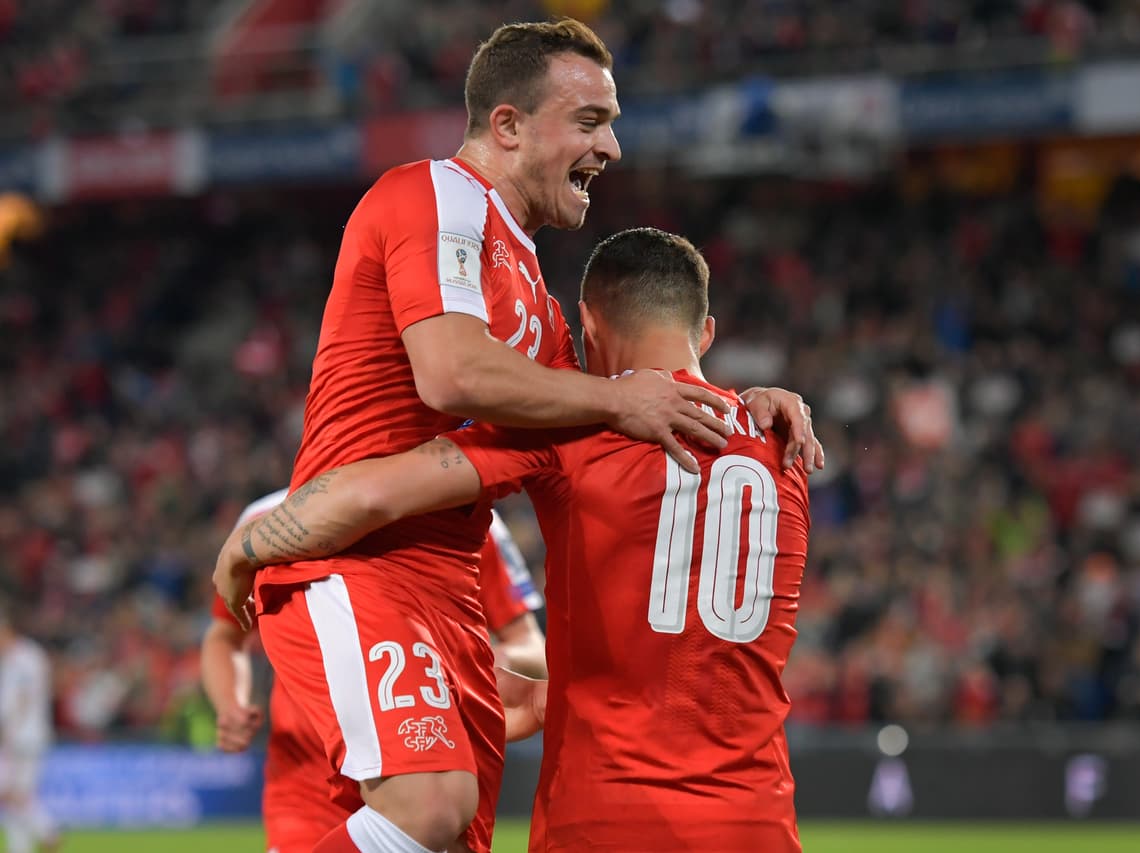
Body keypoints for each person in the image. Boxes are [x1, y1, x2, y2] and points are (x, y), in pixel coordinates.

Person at [243, 17, 816, 853]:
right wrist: (252, 544)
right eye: (589, 121)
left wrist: (727, 397)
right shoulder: (432, 194)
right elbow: (450, 375)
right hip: (364, 561)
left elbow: (534, 435)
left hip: (452, 596)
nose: (612, 147)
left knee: (448, 836)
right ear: (507, 124)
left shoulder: (550, 325)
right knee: (428, 811)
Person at [201, 495, 547, 853]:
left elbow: (531, 647)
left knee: (427, 812)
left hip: (425, 761)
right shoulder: (269, 518)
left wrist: (472, 667)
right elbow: (226, 636)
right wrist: (231, 702)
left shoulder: (467, 510)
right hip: (310, 789)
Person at [0, 604, 59, 853]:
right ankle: (19, 848)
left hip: (24, 737)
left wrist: (9, 731)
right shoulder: (12, 658)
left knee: (10, 793)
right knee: (15, 796)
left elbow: (25, 698)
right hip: (17, 736)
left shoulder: (26, 657)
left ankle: (48, 829)